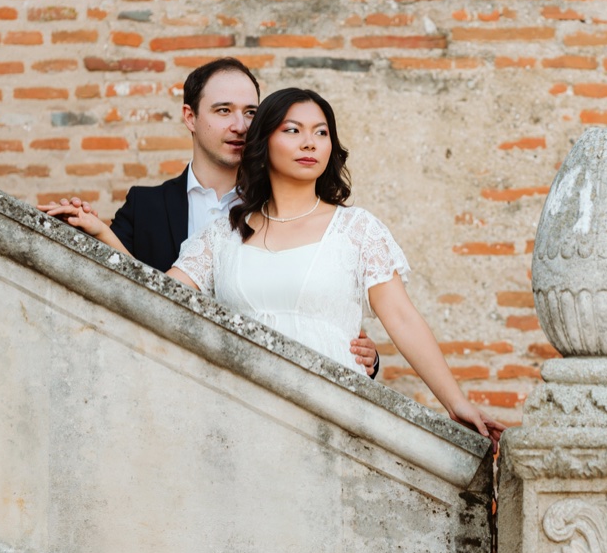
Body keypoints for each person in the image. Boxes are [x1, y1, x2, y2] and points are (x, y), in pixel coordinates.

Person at [40, 59, 380, 376]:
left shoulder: (288, 208)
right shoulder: (144, 206)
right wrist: (100, 233)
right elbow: (139, 295)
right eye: (223, 111)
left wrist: (359, 351)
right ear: (190, 117)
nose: (240, 126)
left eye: (250, 112)